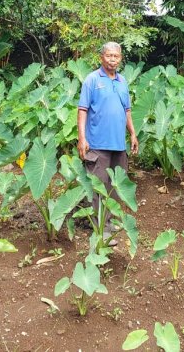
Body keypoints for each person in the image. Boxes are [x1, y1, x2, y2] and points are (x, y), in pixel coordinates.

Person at [77, 42, 139, 242]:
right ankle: (100, 229)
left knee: (114, 186)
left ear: (120, 58)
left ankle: (108, 220)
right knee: (99, 186)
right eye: (109, 56)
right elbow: (82, 110)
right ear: (101, 57)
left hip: (118, 144)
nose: (113, 59)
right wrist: (82, 138)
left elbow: (127, 110)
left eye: (116, 56)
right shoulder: (92, 80)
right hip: (97, 144)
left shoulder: (122, 82)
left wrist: (133, 134)